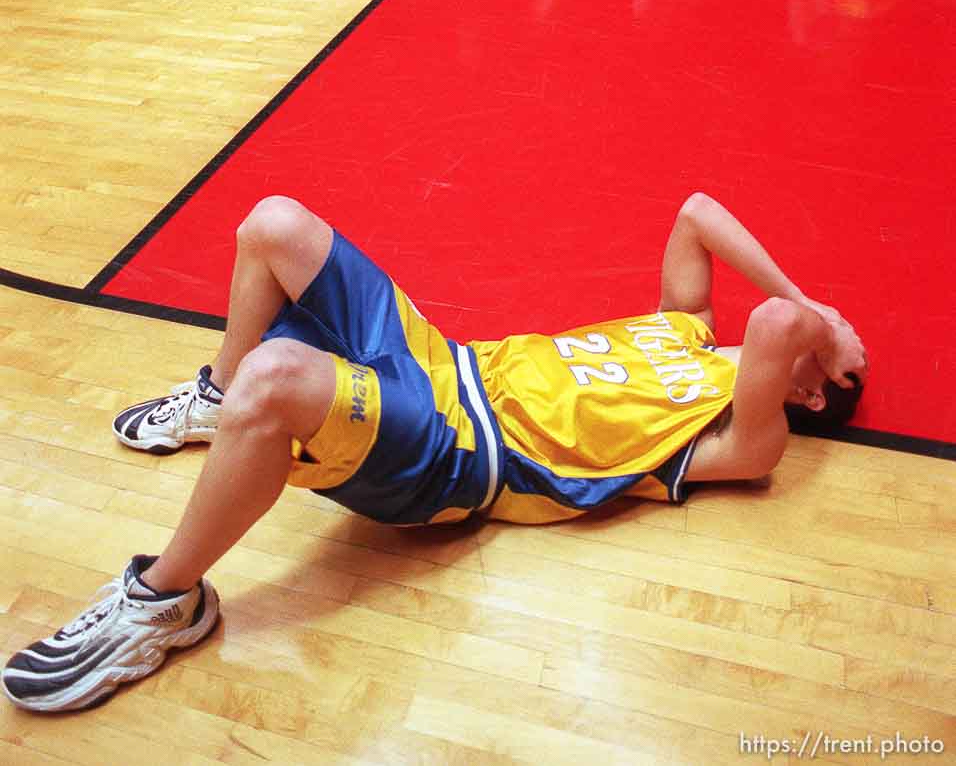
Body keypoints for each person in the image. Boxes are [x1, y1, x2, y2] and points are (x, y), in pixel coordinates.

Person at [1, 190, 868, 714]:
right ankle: (218, 397)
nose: (822, 330)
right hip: (443, 363)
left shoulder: (741, 436)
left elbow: (778, 325)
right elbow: (696, 212)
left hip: (463, 456)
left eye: (833, 355)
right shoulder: (689, 330)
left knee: (280, 377)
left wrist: (817, 326)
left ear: (815, 387)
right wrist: (814, 311)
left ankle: (165, 603)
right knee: (273, 225)